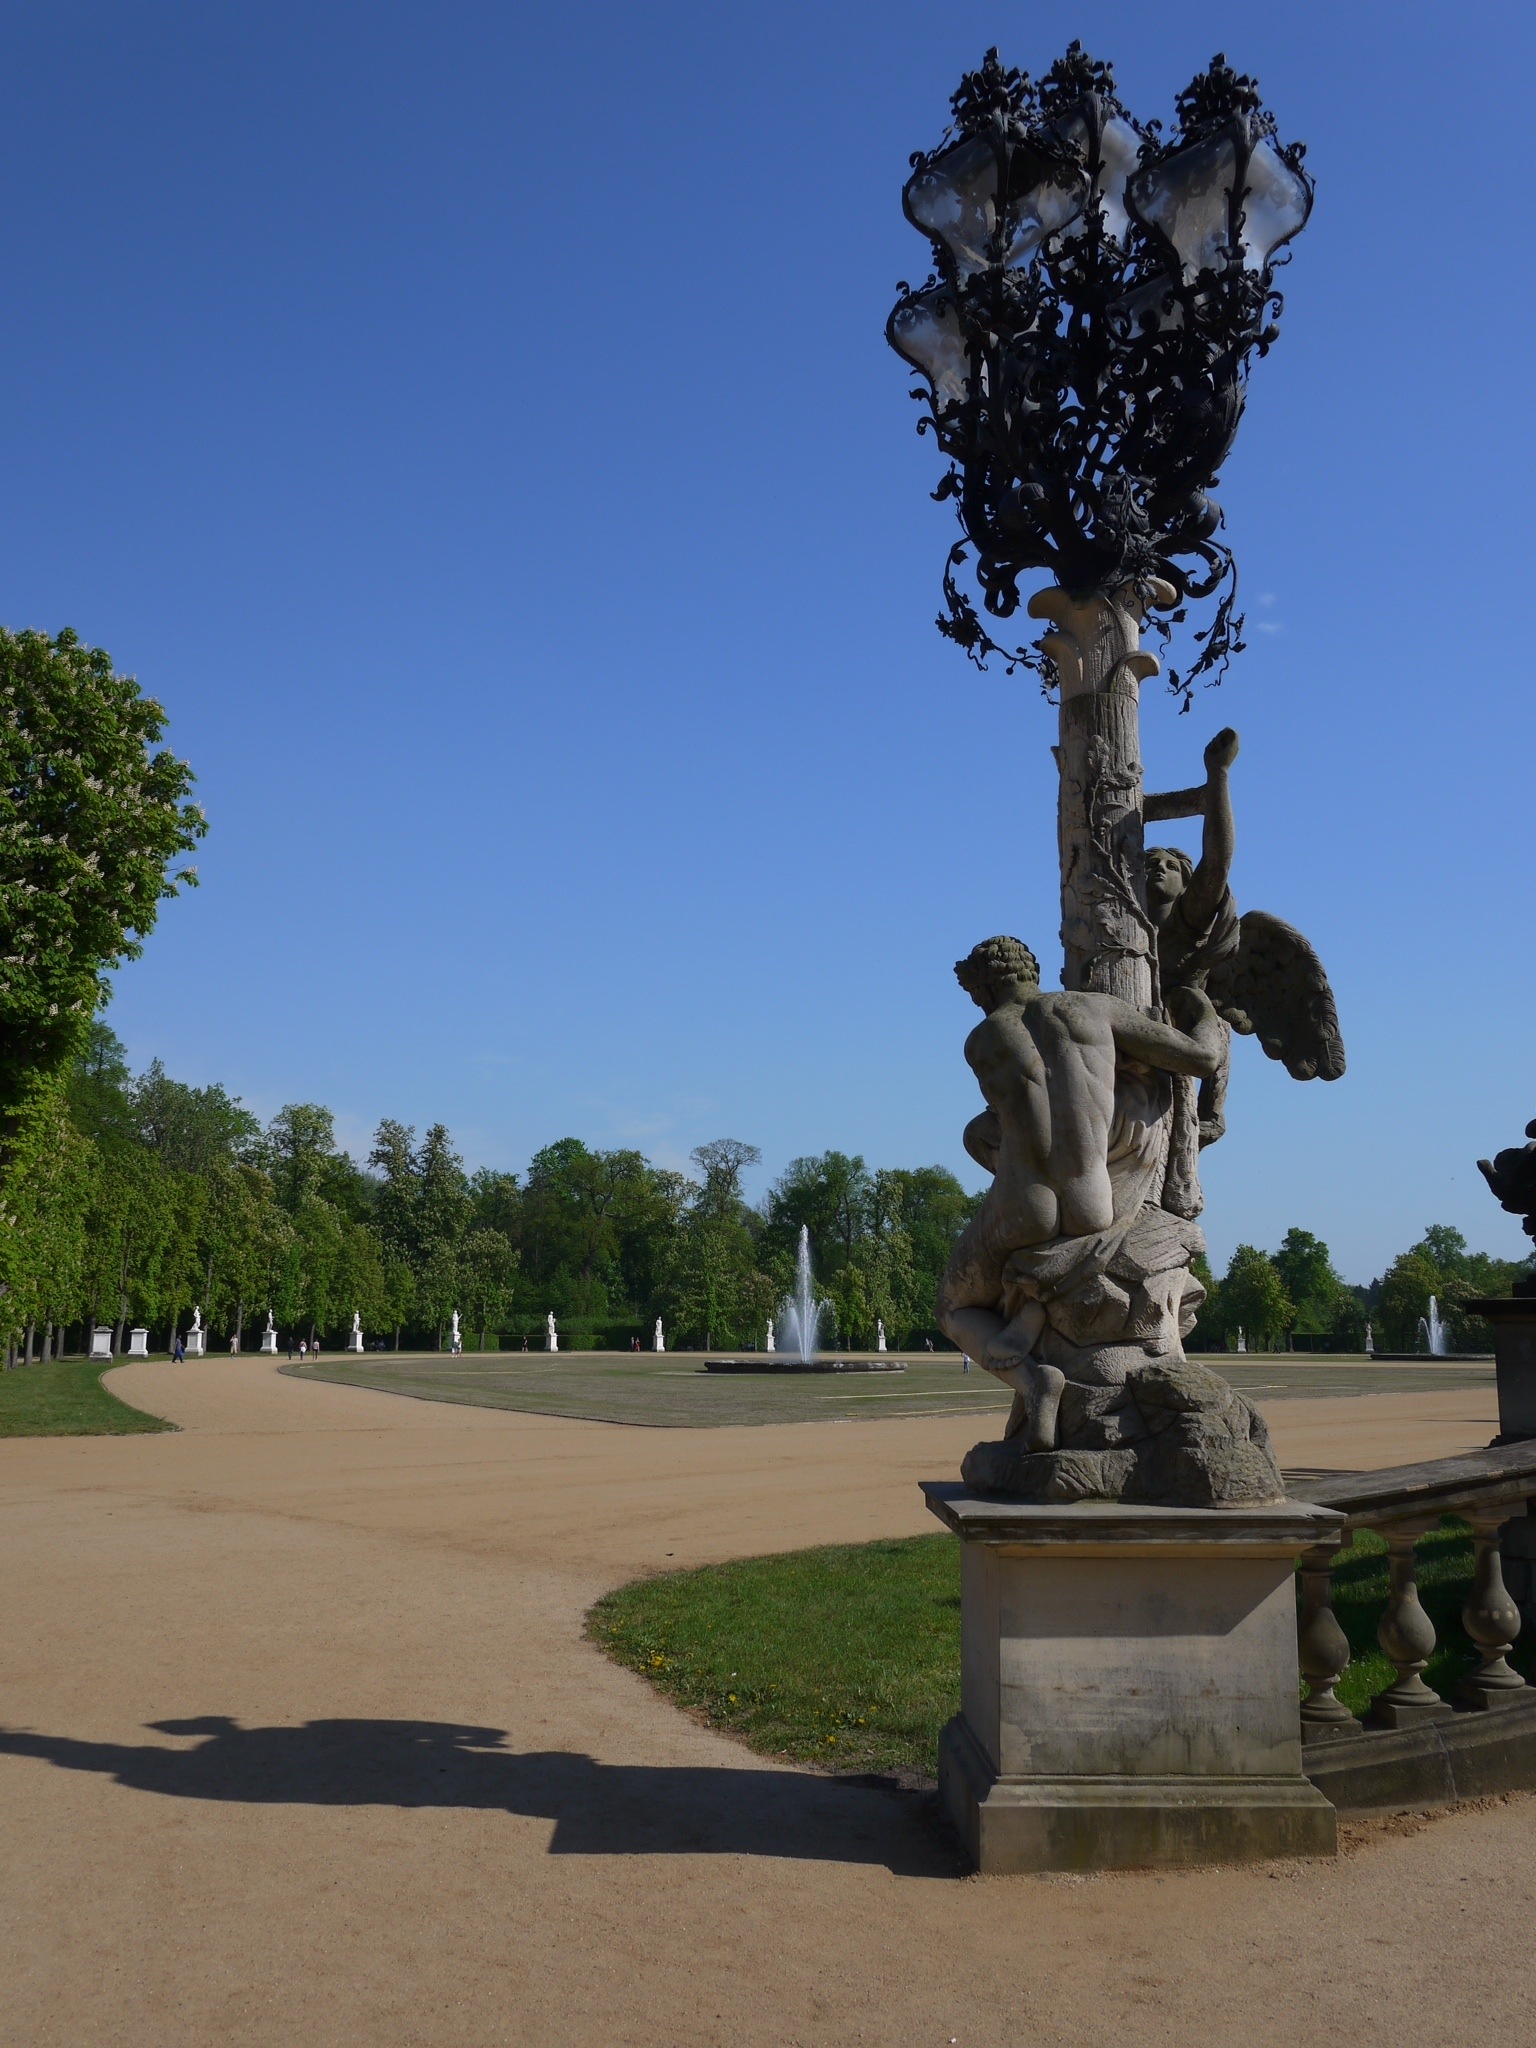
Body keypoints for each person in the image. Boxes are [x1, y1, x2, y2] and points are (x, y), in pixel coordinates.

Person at [937, 934, 1223, 1447]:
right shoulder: (1090, 1008)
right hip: (1094, 1200)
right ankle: (1036, 1303)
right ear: (1032, 970)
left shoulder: (981, 1041)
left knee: (953, 1309)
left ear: (981, 988)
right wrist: (1203, 1010)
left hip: (1024, 1204)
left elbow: (1005, 1119)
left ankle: (1033, 1381)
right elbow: (1202, 1058)